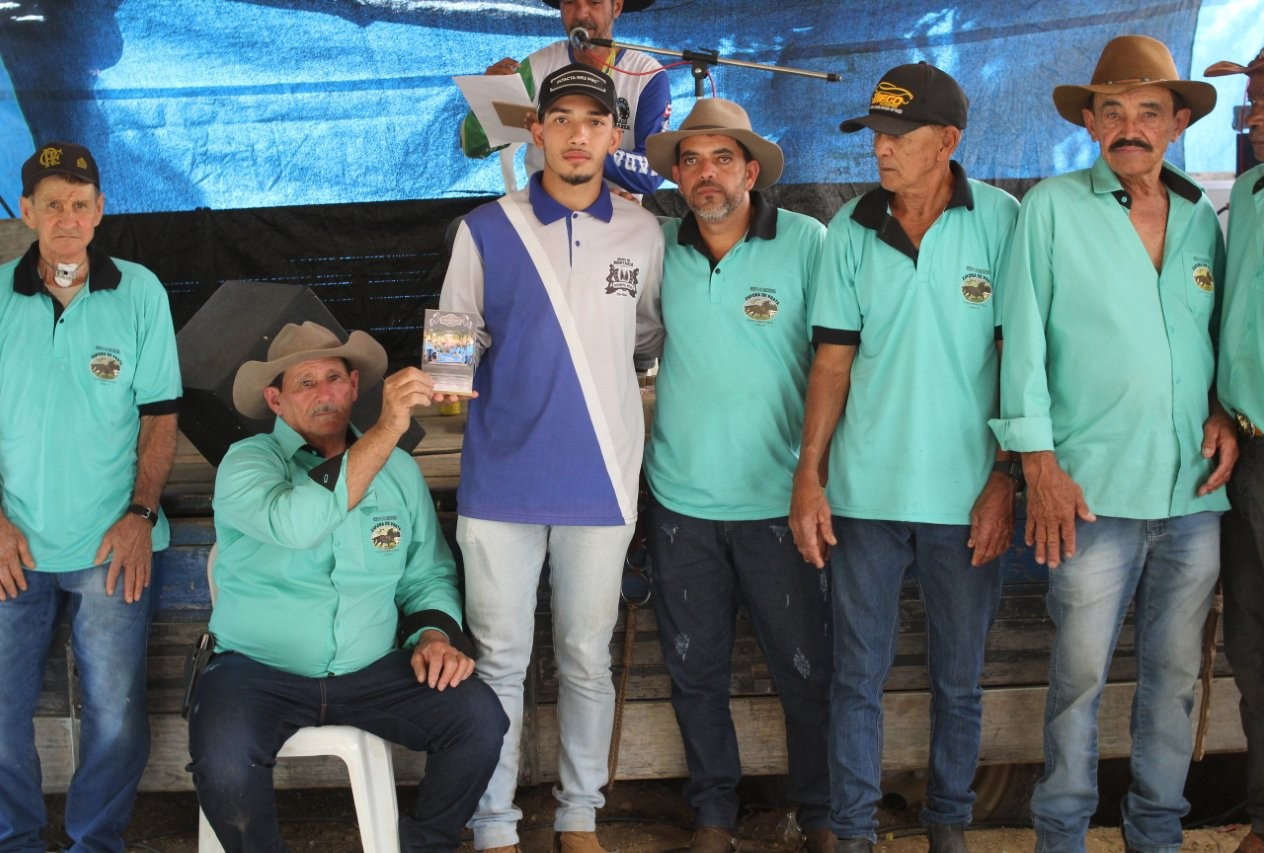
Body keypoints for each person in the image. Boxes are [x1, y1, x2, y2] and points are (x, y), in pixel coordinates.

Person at [990, 35, 1236, 853]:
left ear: (1176, 124)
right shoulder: (1052, 207)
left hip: (1192, 492)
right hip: (1087, 492)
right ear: (1091, 122)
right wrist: (1038, 464)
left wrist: (1224, 410)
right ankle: (1061, 835)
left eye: (1149, 111)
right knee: (1078, 680)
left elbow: (1214, 340)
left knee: (1175, 679)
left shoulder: (1200, 217)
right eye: (1114, 111)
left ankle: (1156, 833)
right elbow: (1021, 341)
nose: (1131, 126)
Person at [789, 63, 1019, 853]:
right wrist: (810, 473)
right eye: (875, 136)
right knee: (857, 676)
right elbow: (831, 363)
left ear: (948, 140)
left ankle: (948, 824)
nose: (881, 150)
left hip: (967, 493)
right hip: (866, 493)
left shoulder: (1002, 221)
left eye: (898, 136)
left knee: (960, 677)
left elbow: (1018, 358)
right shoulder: (851, 229)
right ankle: (854, 832)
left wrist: (1005, 476)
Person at [440, 63, 663, 853]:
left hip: (603, 479)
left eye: (593, 121)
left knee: (584, 657)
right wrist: (447, 383)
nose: (576, 134)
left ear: (613, 134)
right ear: (535, 131)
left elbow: (645, 337)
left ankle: (579, 818)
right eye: (560, 119)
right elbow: (452, 337)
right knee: (498, 660)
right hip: (500, 480)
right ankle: (493, 824)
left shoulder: (643, 232)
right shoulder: (483, 227)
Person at [187, 321, 506, 852]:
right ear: (275, 400)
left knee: (479, 720)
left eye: (334, 377)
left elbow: (427, 573)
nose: (323, 393)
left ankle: (424, 846)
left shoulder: (398, 471)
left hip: (370, 669)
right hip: (256, 670)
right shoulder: (247, 462)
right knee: (223, 762)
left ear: (355, 386)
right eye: (304, 382)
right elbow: (298, 524)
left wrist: (433, 636)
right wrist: (387, 429)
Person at [641, 98, 833, 853]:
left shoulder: (807, 241)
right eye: (690, 160)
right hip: (682, 498)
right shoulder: (658, 246)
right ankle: (713, 815)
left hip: (779, 498)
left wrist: (815, 474)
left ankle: (820, 815)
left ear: (752, 171)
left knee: (806, 671)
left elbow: (837, 359)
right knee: (695, 671)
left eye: (722, 158)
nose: (705, 174)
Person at [0, 142, 182, 851]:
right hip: (14, 543)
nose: (67, 217)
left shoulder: (139, 290)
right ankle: (15, 840)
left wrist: (140, 515)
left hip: (113, 541)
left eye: (80, 203)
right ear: (27, 211)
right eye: (53, 204)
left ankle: (95, 843)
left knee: (116, 713)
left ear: (100, 210)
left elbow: (160, 415)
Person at [1205, 28, 1264, 853]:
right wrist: (1223, 406)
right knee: (1254, 651)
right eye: (1253, 102)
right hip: (1249, 458)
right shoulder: (1255, 190)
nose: (1255, 118)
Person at [460, 0, 671, 197]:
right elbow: (472, 145)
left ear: (616, 7)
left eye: (594, 2)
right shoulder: (537, 66)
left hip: (618, 212)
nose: (581, 13)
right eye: (570, 2)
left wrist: (577, 148)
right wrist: (490, 97)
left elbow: (652, 173)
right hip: (542, 207)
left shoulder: (647, 76)